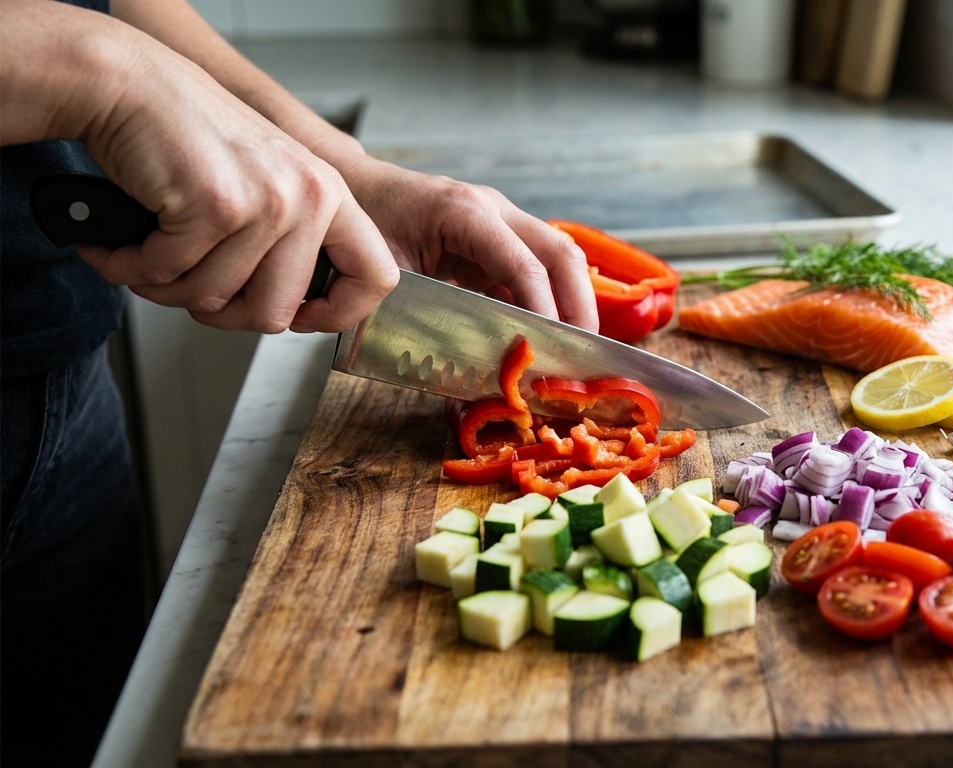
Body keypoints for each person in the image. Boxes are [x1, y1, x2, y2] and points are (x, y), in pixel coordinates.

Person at [0, 1, 599, 764]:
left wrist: (342, 174)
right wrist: (94, 67)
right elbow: (94, 34)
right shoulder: (94, 67)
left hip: (61, 384)